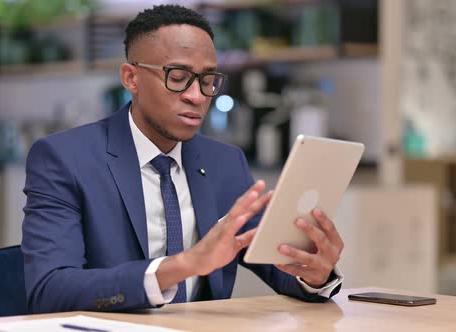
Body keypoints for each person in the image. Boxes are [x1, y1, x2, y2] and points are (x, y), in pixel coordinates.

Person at [21, 4, 344, 314]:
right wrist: (182, 265)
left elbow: (277, 267)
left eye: (207, 80)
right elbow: (50, 291)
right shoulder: (65, 158)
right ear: (131, 77)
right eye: (178, 77)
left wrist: (313, 275)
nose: (197, 96)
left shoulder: (225, 162)